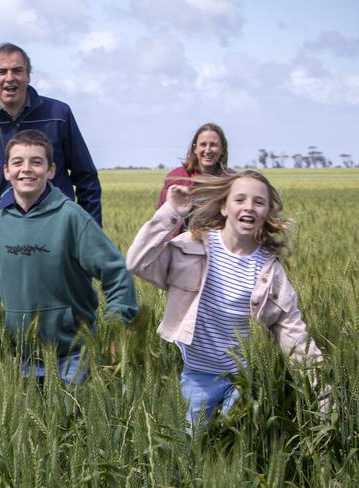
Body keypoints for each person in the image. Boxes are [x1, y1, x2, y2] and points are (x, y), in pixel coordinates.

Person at [126, 170, 325, 430]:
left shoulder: (270, 271)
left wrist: (322, 389)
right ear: (224, 207)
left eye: (259, 202)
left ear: (267, 213)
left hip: (245, 381)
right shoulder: (192, 247)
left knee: (236, 448)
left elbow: (294, 334)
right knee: (192, 448)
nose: (249, 207)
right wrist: (171, 213)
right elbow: (137, 262)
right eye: (240, 199)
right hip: (198, 377)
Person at [0, 130, 138, 385]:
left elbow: (116, 272)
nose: (26, 169)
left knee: (72, 422)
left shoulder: (72, 218)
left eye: (36, 162)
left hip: (73, 355)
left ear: (51, 170)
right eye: (18, 162)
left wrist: (115, 326)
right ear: (7, 171)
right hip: (18, 357)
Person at [0, 42, 102, 248]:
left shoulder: (58, 115)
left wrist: (90, 232)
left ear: (28, 75)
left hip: (57, 237)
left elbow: (86, 177)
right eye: (1, 72)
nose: (10, 78)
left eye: (17, 70)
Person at [157, 123, 231, 236]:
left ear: (222, 150)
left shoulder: (232, 180)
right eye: (203, 144)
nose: (208, 150)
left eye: (213, 145)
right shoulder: (177, 177)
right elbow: (161, 219)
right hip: (180, 247)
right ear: (195, 148)